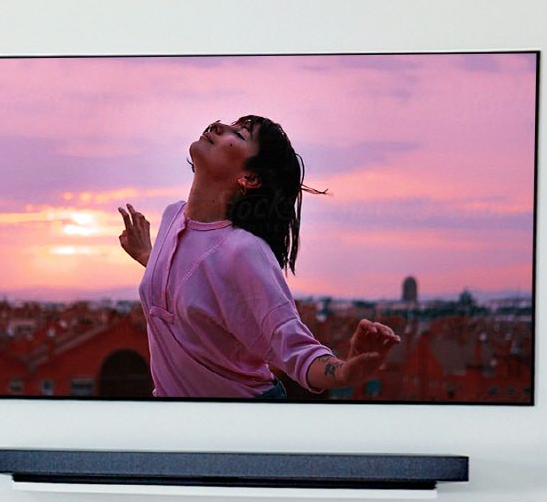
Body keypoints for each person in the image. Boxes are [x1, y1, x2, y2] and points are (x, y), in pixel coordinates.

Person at [117, 116, 400, 398]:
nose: (216, 125)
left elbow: (294, 346)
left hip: (243, 423)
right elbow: (192, 281)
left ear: (250, 178)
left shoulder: (244, 251)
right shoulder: (172, 217)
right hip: (177, 423)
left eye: (239, 134)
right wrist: (148, 256)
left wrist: (347, 372)